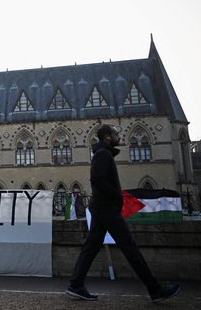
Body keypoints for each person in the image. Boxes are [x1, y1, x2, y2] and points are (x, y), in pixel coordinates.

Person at [66, 124, 180, 303]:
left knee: (92, 247)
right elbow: (97, 179)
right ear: (107, 137)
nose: (119, 136)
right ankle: (155, 290)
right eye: (115, 134)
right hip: (106, 208)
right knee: (129, 246)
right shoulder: (103, 154)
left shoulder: (103, 153)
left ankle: (76, 285)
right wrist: (116, 197)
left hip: (102, 207)